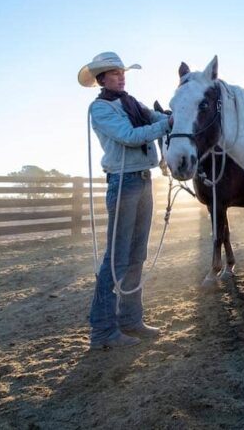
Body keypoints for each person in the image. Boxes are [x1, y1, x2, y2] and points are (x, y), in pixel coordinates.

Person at [78, 52, 173, 350]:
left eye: (122, 72)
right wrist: (167, 126)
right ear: (101, 79)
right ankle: (103, 330)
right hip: (124, 183)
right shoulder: (101, 109)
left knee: (137, 255)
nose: (121, 76)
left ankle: (131, 319)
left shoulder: (133, 104)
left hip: (143, 181)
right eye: (114, 73)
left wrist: (177, 116)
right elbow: (130, 136)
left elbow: (158, 119)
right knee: (116, 258)